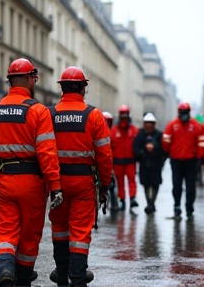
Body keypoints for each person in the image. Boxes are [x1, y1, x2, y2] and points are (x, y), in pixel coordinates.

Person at [0, 58, 63, 287]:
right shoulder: (38, 111)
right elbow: (47, 153)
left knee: (4, 232)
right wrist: (55, 186)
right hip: (32, 184)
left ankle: (5, 269)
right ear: (29, 79)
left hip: (3, 180)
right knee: (29, 235)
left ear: (9, 80)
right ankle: (23, 278)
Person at [48, 66, 113, 287]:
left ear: (62, 88)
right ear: (83, 88)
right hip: (84, 182)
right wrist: (104, 184)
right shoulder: (94, 115)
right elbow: (104, 155)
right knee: (80, 231)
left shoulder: (49, 114)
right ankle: (77, 276)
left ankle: (61, 273)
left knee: (59, 227)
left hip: (57, 182)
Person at [162, 102, 204, 219]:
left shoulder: (195, 125)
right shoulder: (172, 125)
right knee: (177, 185)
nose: (184, 115)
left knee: (191, 186)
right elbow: (166, 140)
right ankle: (177, 207)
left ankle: (189, 208)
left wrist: (199, 156)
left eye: (185, 113)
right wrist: (171, 151)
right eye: (182, 113)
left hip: (191, 160)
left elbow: (201, 142)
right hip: (176, 160)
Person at [133, 112, 167, 214]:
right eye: (147, 123)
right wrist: (143, 152)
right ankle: (149, 202)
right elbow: (135, 148)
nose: (148, 125)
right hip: (144, 164)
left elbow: (164, 150)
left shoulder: (159, 135)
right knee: (146, 184)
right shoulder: (140, 135)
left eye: (150, 123)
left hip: (156, 164)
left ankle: (152, 202)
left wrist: (155, 150)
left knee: (155, 184)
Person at [110, 104, 138, 211]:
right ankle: (122, 200)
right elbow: (110, 146)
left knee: (131, 181)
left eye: (126, 114)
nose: (124, 116)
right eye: (123, 114)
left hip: (131, 161)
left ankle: (132, 198)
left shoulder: (133, 130)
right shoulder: (114, 131)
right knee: (120, 182)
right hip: (118, 161)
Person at [102, 111, 119, 210]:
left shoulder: (112, 133)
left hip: (110, 161)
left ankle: (114, 204)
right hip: (102, 162)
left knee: (112, 185)